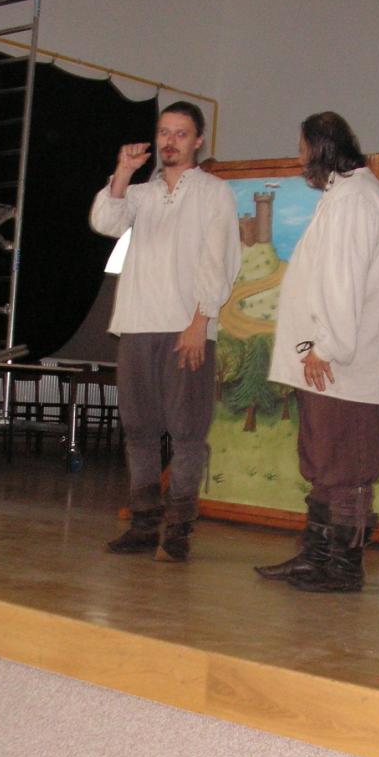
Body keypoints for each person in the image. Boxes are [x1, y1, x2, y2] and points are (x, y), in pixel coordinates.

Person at [255, 112, 379, 592]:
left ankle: (343, 566)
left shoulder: (354, 201)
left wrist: (327, 347)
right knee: (323, 463)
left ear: (320, 148)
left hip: (342, 364)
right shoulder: (343, 196)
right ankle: (315, 558)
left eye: (302, 149)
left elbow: (343, 283)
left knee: (347, 467)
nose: (299, 159)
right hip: (325, 360)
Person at [89, 101, 240, 562]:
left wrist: (199, 321)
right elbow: (104, 221)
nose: (170, 141)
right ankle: (142, 525)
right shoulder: (142, 194)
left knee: (187, 433)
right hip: (137, 325)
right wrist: (122, 171)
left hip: (186, 328)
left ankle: (178, 532)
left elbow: (220, 260)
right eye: (164, 132)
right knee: (139, 430)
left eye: (181, 133)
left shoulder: (214, 192)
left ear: (198, 141)